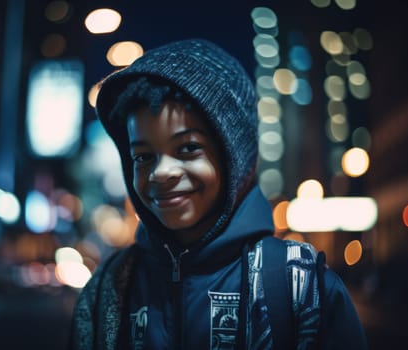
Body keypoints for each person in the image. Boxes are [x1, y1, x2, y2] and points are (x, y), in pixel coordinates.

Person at [69, 38, 367, 350]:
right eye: (143, 157)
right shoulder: (109, 287)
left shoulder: (303, 288)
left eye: (188, 148)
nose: (161, 172)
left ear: (233, 155)